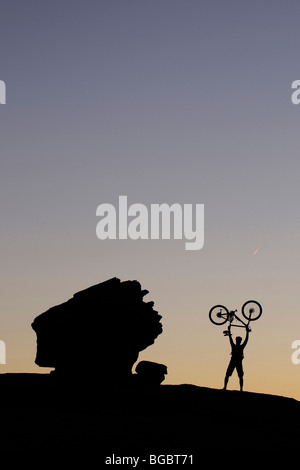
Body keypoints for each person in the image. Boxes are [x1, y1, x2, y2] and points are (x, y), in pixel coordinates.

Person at [223, 323, 250, 392]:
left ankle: (240, 389)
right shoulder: (237, 346)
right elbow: (230, 338)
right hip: (234, 361)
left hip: (237, 361)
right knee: (229, 374)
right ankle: (226, 387)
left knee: (239, 376)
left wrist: (247, 332)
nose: (238, 341)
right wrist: (229, 330)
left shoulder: (239, 346)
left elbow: (246, 340)